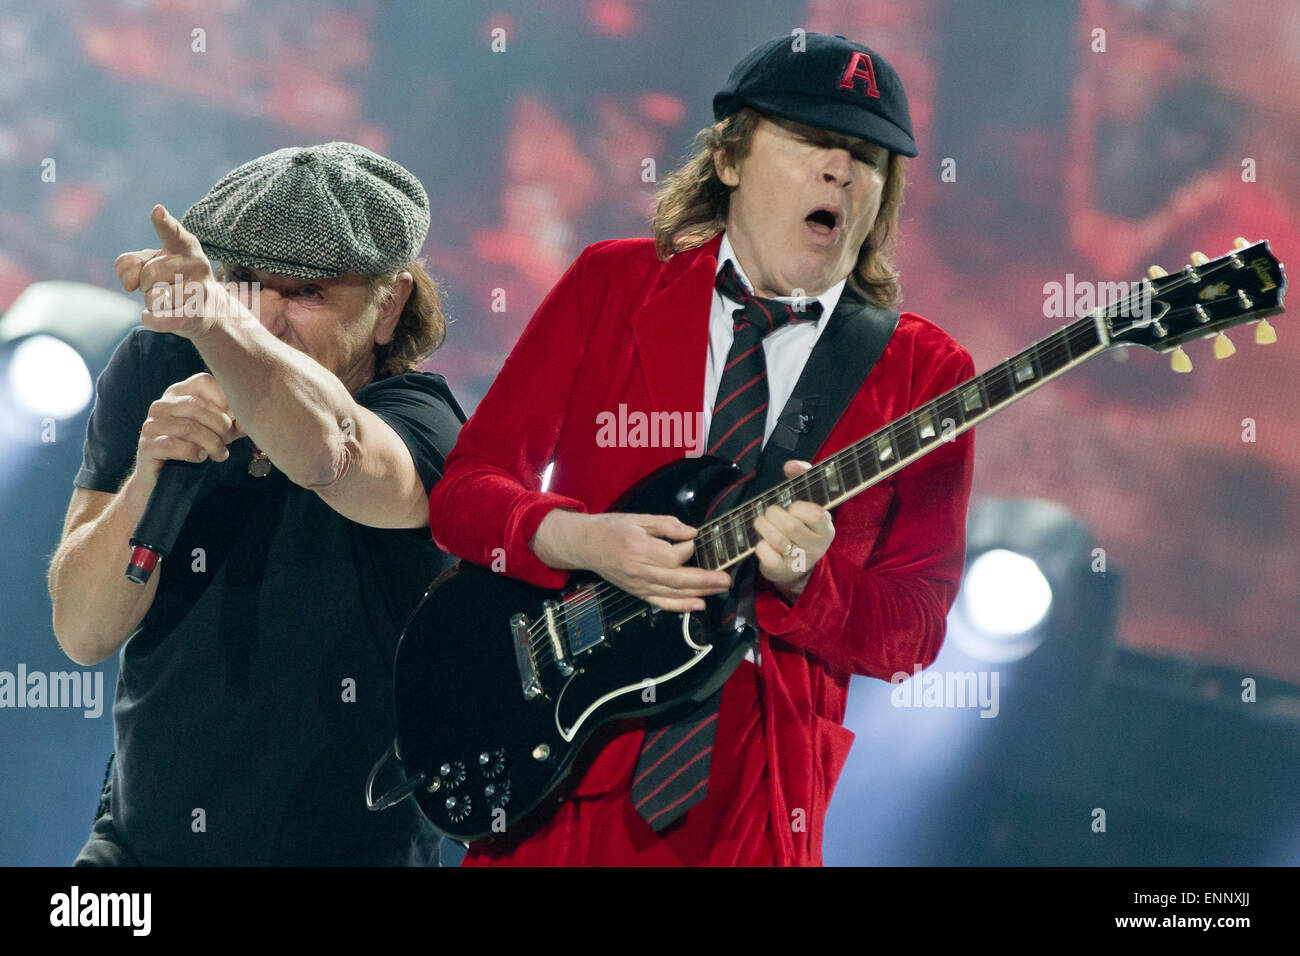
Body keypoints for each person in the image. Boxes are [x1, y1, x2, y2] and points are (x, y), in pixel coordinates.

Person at [426, 34, 977, 866]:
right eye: (811, 139)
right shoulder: (612, 285)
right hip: (564, 780)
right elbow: (464, 494)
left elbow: (916, 633)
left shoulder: (927, 373)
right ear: (729, 156)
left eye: (867, 157)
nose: (841, 170)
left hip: (755, 806)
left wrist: (810, 583)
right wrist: (577, 538)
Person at [48, 142, 465, 865]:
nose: (267, 321)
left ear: (389, 305)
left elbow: (327, 452)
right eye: (247, 284)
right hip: (138, 850)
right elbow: (82, 633)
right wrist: (148, 475)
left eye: (307, 294)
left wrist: (216, 319)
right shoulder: (154, 369)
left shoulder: (421, 421)